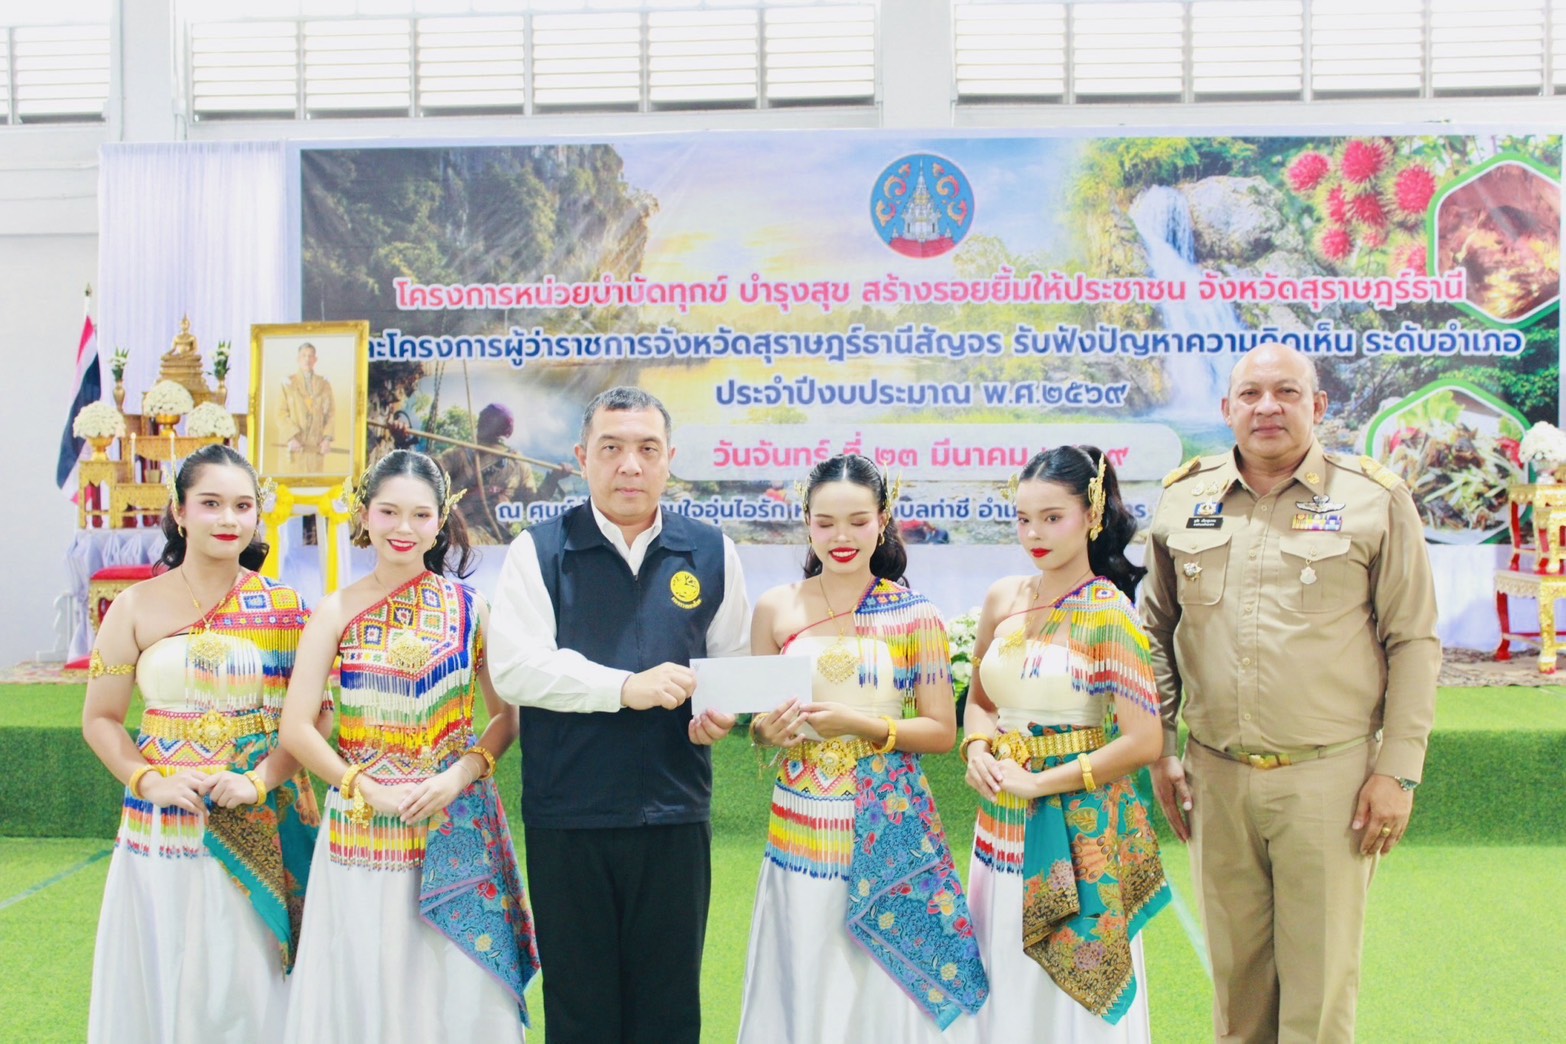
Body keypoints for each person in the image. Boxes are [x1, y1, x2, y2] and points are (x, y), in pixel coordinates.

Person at [1141, 343, 1440, 1043]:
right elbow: (1153, 629)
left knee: (1319, 988)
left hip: (1328, 780)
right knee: (1237, 989)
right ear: (1226, 410)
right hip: (1214, 776)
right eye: (1250, 394)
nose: (1267, 407)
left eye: (1286, 392)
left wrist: (1396, 771)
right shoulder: (1185, 498)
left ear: (1319, 407)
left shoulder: (1372, 498)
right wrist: (1159, 744)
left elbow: (1414, 643)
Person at [487, 386, 749, 1044]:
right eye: (611, 448)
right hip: (569, 817)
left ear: (669, 460)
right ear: (582, 458)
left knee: (668, 1007)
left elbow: (731, 661)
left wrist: (721, 710)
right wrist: (625, 687)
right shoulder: (539, 551)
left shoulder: (712, 551)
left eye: (646, 449)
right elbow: (515, 667)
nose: (629, 464)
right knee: (580, 1009)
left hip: (673, 814)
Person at [279, 450, 538, 1041]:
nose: (403, 528)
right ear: (363, 514)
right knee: (364, 980)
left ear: (440, 520)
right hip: (361, 831)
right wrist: (360, 786)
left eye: (420, 515)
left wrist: (457, 777)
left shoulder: (472, 609)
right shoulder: (334, 611)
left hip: (455, 825)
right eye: (388, 512)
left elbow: (505, 718)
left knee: (452, 990)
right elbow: (295, 727)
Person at [740, 454, 987, 1043]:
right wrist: (763, 731)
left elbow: (941, 732)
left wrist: (864, 725)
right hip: (801, 815)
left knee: (882, 966)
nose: (841, 537)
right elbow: (756, 719)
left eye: (857, 520)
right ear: (806, 523)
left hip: (887, 816)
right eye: (825, 523)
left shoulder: (914, 613)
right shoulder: (777, 608)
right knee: (805, 951)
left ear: (883, 520)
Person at [82, 444, 324, 1042]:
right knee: (162, 965)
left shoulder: (287, 611)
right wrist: (151, 781)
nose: (228, 520)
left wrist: (258, 780)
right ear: (179, 512)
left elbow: (314, 722)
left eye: (243, 506)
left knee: (246, 978)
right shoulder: (134, 606)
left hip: (258, 816)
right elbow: (102, 719)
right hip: (162, 822)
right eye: (211, 503)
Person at [961, 446, 1169, 1041]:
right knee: (997, 965)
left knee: (1067, 998)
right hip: (997, 821)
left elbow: (1144, 739)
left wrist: (1042, 780)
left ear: (1093, 515)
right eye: (1024, 518)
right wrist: (977, 749)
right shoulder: (1004, 598)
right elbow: (979, 701)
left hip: (1078, 830)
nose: (1035, 533)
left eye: (1053, 517)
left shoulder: (1110, 613)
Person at [439, 403, 570, 544]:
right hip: (459, 529)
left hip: (494, 535)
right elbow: (432, 475)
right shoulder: (461, 455)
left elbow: (533, 502)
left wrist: (553, 479)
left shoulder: (517, 464)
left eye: (486, 421)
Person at [280, 341, 335, 474]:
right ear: (298, 359)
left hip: (315, 447)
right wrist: (291, 438)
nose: (307, 359)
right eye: (304, 355)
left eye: (310, 356)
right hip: (295, 447)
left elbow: (331, 413)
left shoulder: (324, 384)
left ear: (315, 359)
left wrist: (327, 439)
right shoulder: (288, 383)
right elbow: (280, 413)